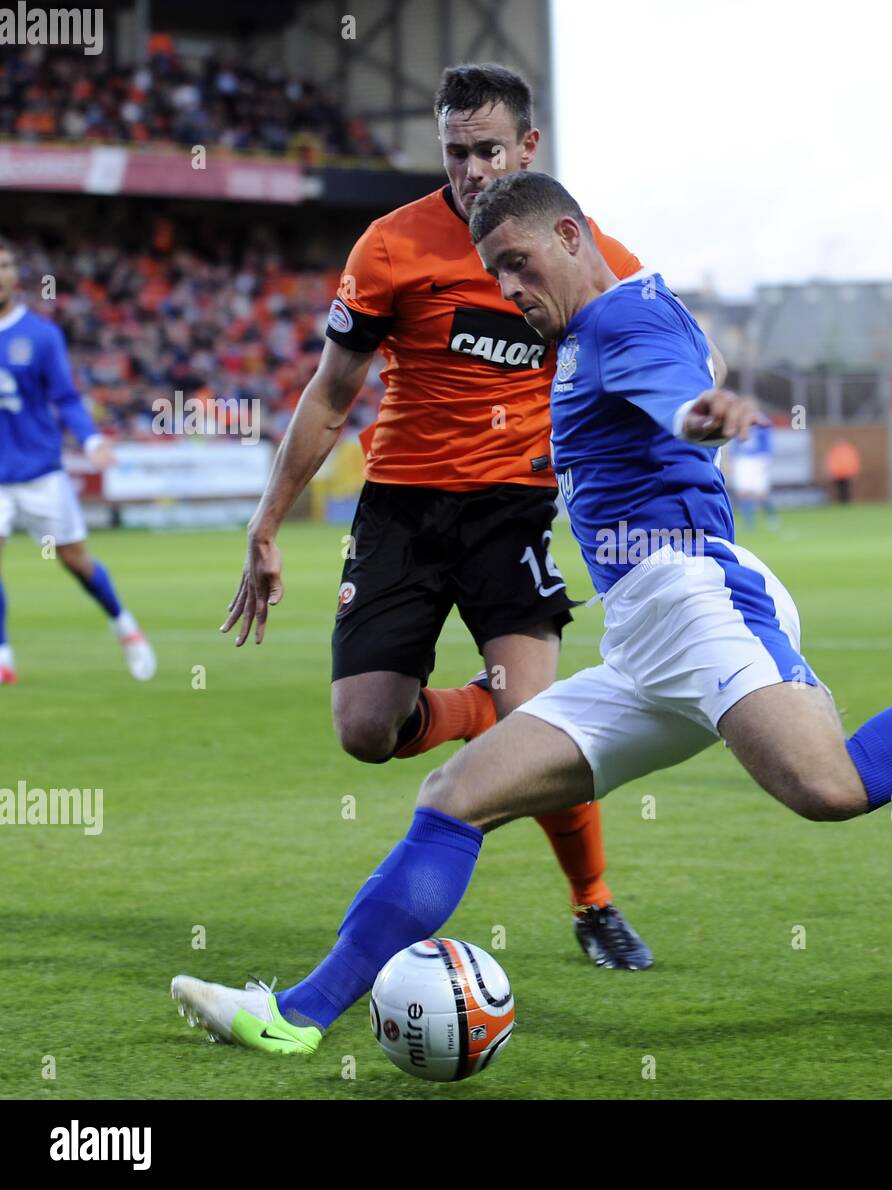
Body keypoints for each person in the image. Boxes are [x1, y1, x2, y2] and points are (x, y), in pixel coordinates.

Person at [172, 171, 892, 1055]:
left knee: (829, 783)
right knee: (454, 796)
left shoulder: (624, 316)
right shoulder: (586, 331)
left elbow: (669, 391)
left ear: (572, 237)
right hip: (639, 637)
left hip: (700, 596)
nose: (507, 287)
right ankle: (299, 1015)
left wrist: (697, 413)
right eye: (492, 272)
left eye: (520, 264)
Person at [219, 64, 653, 970]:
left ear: (528, 147)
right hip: (403, 510)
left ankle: (595, 903)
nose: (472, 172)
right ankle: (482, 708)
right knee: (365, 731)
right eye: (456, 152)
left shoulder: (585, 249)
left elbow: (647, 361)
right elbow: (332, 393)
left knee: (543, 733)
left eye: (489, 151)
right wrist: (266, 524)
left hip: (515, 509)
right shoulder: (391, 246)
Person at [0, 237, 155, 686]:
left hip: (40, 471)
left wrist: (90, 442)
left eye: (6, 264)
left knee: (74, 558)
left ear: (15, 276)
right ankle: (4, 654)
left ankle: (124, 626)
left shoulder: (41, 335)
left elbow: (65, 398)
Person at [727, 415, 777, 528]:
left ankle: (771, 517)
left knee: (761, 494)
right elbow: (734, 442)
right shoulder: (737, 421)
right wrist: (732, 459)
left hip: (758, 459)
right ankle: (749, 523)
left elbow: (767, 440)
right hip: (742, 460)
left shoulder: (762, 422)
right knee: (743, 493)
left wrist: (767, 457)